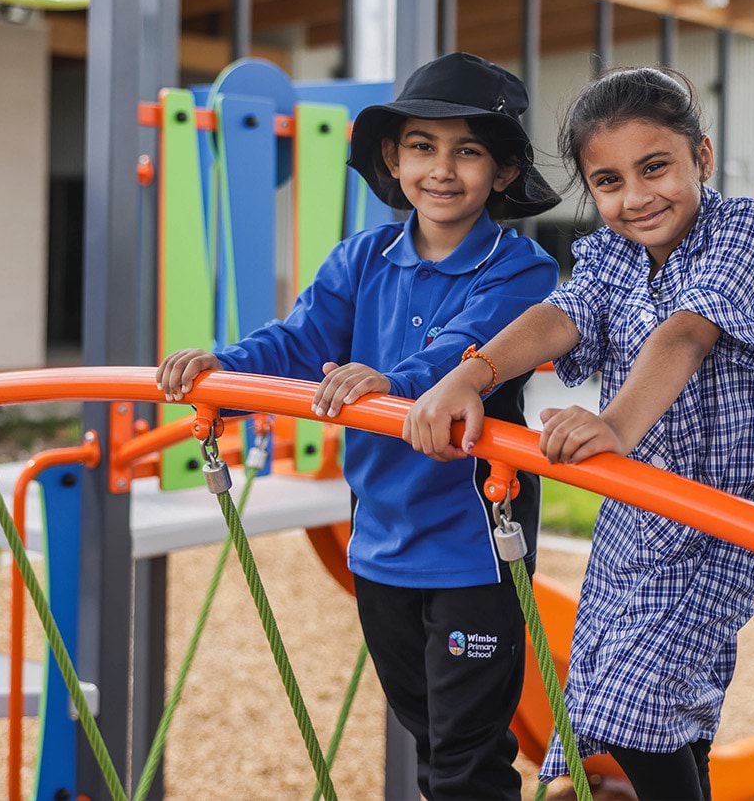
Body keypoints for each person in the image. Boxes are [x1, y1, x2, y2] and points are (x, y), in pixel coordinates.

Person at [156, 52, 561, 800]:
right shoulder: (362, 258)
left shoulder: (521, 270)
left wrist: (394, 382)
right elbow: (298, 342)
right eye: (421, 146)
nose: (441, 169)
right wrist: (225, 370)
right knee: (429, 744)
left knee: (467, 762)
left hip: (474, 547)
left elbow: (461, 350)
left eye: (468, 150)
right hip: (380, 544)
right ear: (391, 156)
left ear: (502, 172)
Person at [403, 67, 754, 801]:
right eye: (609, 181)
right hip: (636, 513)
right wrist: (472, 373)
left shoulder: (741, 228)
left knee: (637, 702)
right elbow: (561, 316)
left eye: (656, 169)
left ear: (700, 159)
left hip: (723, 517)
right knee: (635, 696)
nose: (637, 197)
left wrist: (613, 424)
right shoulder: (610, 253)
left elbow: (684, 334)